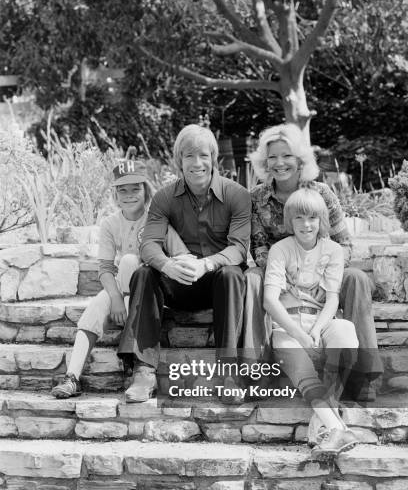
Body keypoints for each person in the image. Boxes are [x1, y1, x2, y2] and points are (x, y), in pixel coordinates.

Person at [243, 123, 383, 403]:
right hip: (279, 273)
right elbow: (259, 247)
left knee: (356, 277)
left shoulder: (322, 192)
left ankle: (364, 373)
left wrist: (321, 276)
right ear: (264, 161)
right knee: (252, 277)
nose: (279, 163)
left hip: (322, 273)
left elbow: (344, 244)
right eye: (272, 157)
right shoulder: (257, 197)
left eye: (287, 155)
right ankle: (258, 368)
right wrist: (285, 277)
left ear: (300, 159)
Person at [118, 124, 251, 403]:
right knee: (144, 274)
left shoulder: (236, 194)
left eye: (203, 155)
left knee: (232, 275)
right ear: (179, 161)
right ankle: (143, 371)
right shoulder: (165, 197)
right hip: (177, 282)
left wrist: (207, 265)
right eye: (189, 156)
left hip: (216, 284)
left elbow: (239, 248)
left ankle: (229, 373)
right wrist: (167, 265)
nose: (197, 163)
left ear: (214, 158)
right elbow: (149, 244)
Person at [52, 160, 188, 399]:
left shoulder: (157, 220)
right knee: (95, 308)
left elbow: (182, 255)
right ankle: (72, 378)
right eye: (122, 190)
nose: (128, 195)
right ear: (114, 193)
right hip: (121, 294)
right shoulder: (110, 223)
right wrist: (115, 298)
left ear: (146, 190)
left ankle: (139, 367)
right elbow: (104, 267)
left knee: (129, 261)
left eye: (135, 189)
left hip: (146, 297)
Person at [264, 186, 359, 459]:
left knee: (345, 332)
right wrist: (300, 335)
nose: (306, 225)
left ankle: (324, 425)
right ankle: (336, 426)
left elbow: (332, 300)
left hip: (321, 318)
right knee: (297, 359)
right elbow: (270, 301)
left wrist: (316, 330)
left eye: (312, 218)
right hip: (288, 321)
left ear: (322, 220)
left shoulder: (334, 250)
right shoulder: (280, 250)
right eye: (298, 218)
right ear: (289, 221)